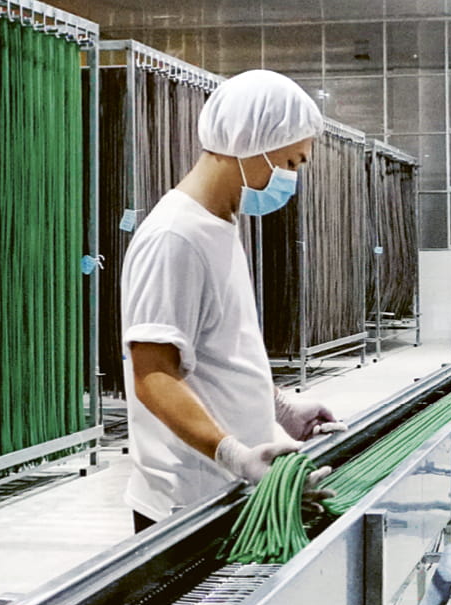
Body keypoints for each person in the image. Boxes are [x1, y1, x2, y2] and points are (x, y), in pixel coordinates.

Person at [120, 70, 346, 534]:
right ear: (251, 143)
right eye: (291, 161)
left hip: (229, 491)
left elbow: (215, 351)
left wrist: (279, 408)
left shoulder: (219, 225)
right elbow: (153, 375)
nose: (292, 177)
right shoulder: (174, 237)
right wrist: (234, 455)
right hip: (187, 504)